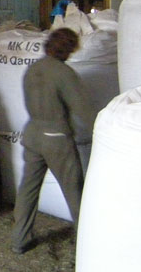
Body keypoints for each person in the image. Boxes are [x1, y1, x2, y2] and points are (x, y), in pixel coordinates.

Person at [11, 27, 96, 254]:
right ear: (68, 50)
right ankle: (86, 242)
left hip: (32, 134)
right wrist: (101, 136)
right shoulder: (64, 73)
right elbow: (84, 111)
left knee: (28, 189)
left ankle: (20, 239)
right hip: (56, 139)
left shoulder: (33, 69)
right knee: (74, 190)